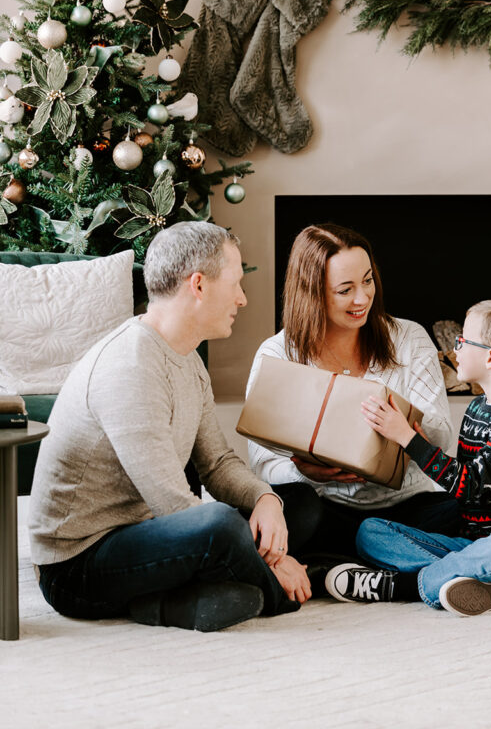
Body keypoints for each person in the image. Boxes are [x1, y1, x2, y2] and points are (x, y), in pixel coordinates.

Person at [29, 222, 312, 633]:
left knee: (300, 503)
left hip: (146, 533)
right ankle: (275, 588)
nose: (242, 298)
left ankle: (184, 596)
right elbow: (172, 503)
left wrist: (266, 500)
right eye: (235, 283)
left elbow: (216, 462)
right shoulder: (129, 365)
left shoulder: (186, 357)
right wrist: (274, 561)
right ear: (198, 285)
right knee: (219, 526)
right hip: (79, 567)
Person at [324, 299, 491, 616]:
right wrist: (419, 444)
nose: (456, 350)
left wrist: (408, 439)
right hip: (472, 546)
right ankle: (473, 580)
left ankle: (403, 587)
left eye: (463, 342)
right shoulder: (476, 410)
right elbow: (465, 483)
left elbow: (470, 484)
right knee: (370, 531)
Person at [245, 223, 458, 560]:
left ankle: (346, 568)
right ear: (312, 292)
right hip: (327, 508)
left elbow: (444, 441)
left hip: (409, 506)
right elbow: (261, 464)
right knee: (288, 511)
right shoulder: (276, 355)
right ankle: (397, 562)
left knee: (475, 510)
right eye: (345, 290)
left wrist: (403, 429)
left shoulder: (409, 337)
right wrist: (303, 471)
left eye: (368, 280)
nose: (363, 298)